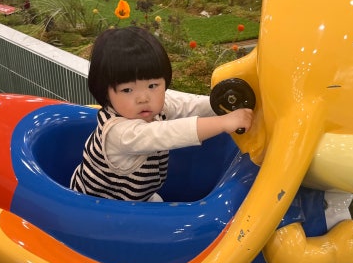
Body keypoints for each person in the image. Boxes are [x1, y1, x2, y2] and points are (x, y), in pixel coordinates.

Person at [70, 26, 253, 202]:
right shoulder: (119, 134)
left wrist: (224, 104)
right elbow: (167, 133)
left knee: (157, 202)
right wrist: (223, 122)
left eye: (152, 85)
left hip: (136, 197)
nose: (143, 98)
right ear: (106, 93)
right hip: (96, 207)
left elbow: (189, 105)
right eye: (127, 90)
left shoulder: (154, 107)